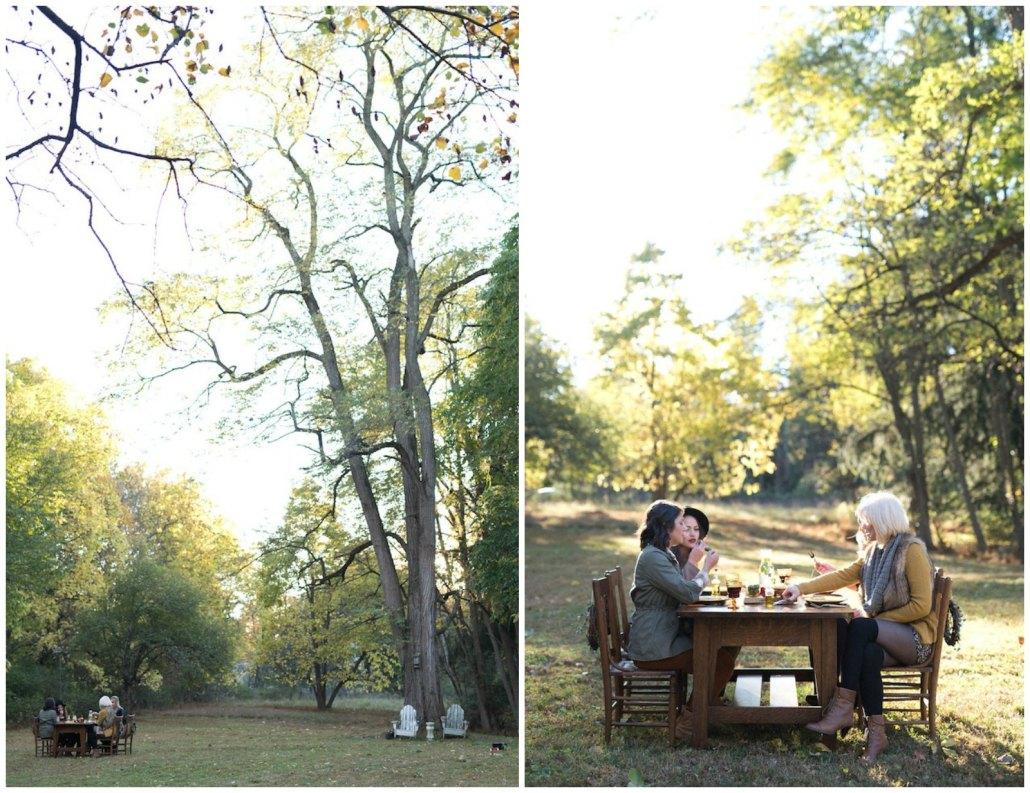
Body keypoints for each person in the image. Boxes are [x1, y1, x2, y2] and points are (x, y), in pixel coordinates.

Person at [782, 491, 936, 762]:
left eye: (867, 521)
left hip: (914, 639)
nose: (862, 527)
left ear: (883, 520)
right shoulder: (873, 551)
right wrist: (799, 588)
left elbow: (922, 606)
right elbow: (842, 576)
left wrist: (875, 622)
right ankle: (877, 734)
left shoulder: (911, 551)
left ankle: (842, 707)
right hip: (883, 639)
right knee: (866, 652)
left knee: (861, 627)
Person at [625, 500, 732, 740]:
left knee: (724, 648)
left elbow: (683, 588)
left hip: (664, 638)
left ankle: (707, 707)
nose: (686, 530)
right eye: (681, 524)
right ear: (666, 527)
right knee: (721, 661)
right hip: (654, 647)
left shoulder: (662, 554)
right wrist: (705, 569)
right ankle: (689, 722)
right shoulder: (653, 558)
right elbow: (686, 592)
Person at [672, 506, 742, 702]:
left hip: (682, 621)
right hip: (675, 626)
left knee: (734, 637)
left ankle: (710, 698)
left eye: (696, 529)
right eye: (686, 528)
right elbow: (685, 594)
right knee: (726, 645)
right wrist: (698, 563)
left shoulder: (688, 553)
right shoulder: (671, 556)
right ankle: (700, 707)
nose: (692, 533)